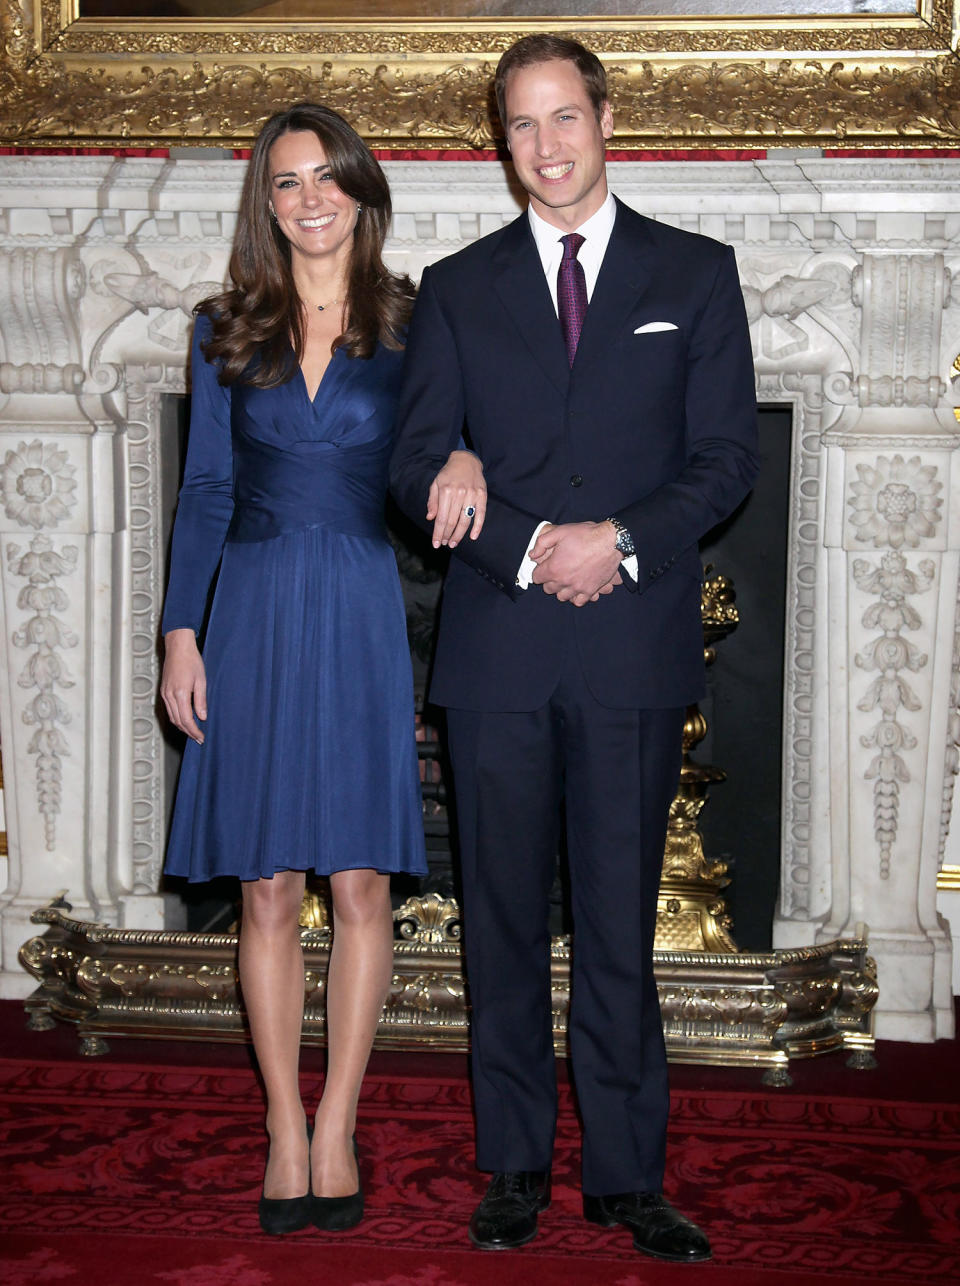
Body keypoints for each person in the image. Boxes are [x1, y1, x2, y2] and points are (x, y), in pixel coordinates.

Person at [389, 36, 759, 1263]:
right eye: (519, 126)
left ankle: (625, 1174)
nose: (544, 147)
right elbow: (416, 459)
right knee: (497, 919)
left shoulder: (695, 275)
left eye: (563, 118)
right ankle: (511, 1166)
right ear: (500, 144)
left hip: (632, 648)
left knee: (615, 920)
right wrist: (522, 530)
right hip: (496, 652)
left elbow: (726, 462)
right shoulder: (454, 286)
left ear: (605, 119)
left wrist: (621, 543)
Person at [159, 103, 485, 1237]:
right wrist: (178, 632)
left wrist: (465, 453)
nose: (310, 199)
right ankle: (282, 1126)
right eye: (288, 181)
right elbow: (204, 490)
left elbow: (439, 448)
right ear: (269, 199)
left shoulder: (414, 322)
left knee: (356, 883)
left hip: (354, 603)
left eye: (327, 177)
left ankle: (338, 1118)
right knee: (263, 884)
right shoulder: (223, 330)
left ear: (360, 189)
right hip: (246, 607)